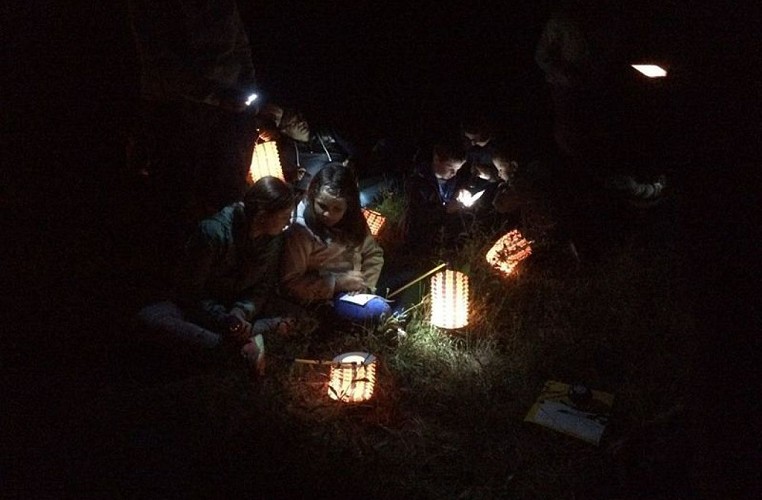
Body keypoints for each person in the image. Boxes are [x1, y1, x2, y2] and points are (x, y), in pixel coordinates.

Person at [127, 0, 260, 251]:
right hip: (177, 109)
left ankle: (221, 256)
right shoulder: (155, 8)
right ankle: (174, 258)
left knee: (227, 183)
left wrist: (249, 87)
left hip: (229, 105)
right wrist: (215, 96)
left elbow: (241, 42)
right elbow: (161, 66)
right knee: (179, 188)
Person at [138, 177, 296, 371]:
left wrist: (241, 311)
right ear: (262, 215)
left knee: (293, 316)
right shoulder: (213, 233)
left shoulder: (273, 239)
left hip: (237, 311)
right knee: (151, 319)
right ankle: (231, 347)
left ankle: (240, 341)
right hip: (200, 310)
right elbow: (190, 292)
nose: (288, 221)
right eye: (284, 216)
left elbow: (262, 286)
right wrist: (224, 318)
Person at [280, 164, 386, 322]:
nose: (328, 214)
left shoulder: (353, 221)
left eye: (337, 209)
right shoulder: (301, 231)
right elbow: (290, 283)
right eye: (322, 206)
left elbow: (373, 253)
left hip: (357, 287)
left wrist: (366, 285)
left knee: (410, 278)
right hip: (326, 295)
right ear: (312, 196)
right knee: (377, 310)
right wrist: (336, 284)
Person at [402, 143, 469, 249]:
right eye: (451, 168)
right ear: (437, 159)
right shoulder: (418, 182)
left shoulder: (452, 179)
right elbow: (417, 215)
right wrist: (446, 210)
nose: (454, 173)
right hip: (422, 235)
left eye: (457, 170)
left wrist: (462, 191)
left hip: (444, 228)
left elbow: (458, 188)